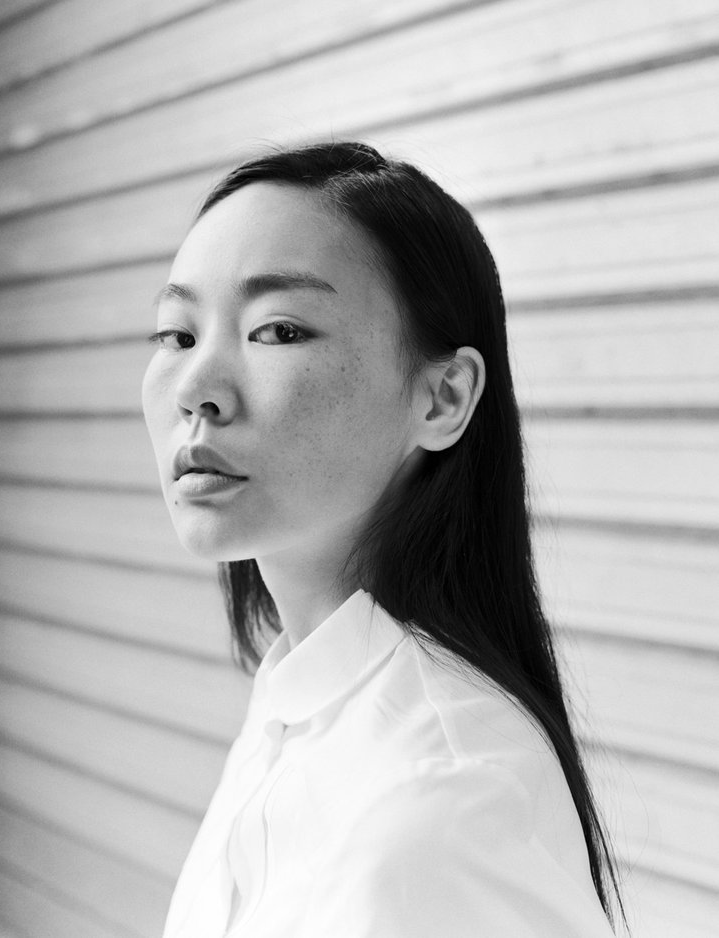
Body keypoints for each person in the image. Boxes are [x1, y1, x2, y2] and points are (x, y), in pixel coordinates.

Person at [141, 140, 627, 937]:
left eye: (279, 330)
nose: (196, 389)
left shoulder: (444, 804)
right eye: (178, 335)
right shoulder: (297, 702)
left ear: (443, 398)